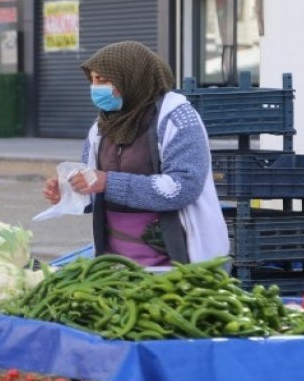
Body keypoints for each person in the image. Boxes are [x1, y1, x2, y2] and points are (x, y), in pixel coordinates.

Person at [42, 41, 228, 265]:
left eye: (102, 79)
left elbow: (183, 186)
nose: (95, 87)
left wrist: (108, 183)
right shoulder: (102, 125)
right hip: (118, 259)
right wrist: (70, 193)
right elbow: (92, 183)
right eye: (92, 79)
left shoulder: (177, 118)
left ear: (131, 78)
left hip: (176, 258)